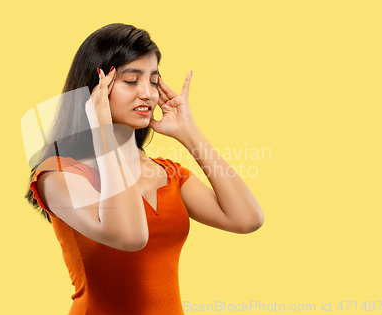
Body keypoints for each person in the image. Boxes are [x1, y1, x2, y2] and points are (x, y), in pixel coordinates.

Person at [24, 23, 264, 315]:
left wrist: (188, 131)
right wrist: (104, 134)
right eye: (130, 80)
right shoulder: (58, 175)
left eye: (153, 81)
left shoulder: (167, 173)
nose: (148, 94)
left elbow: (247, 219)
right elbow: (131, 236)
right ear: (95, 89)